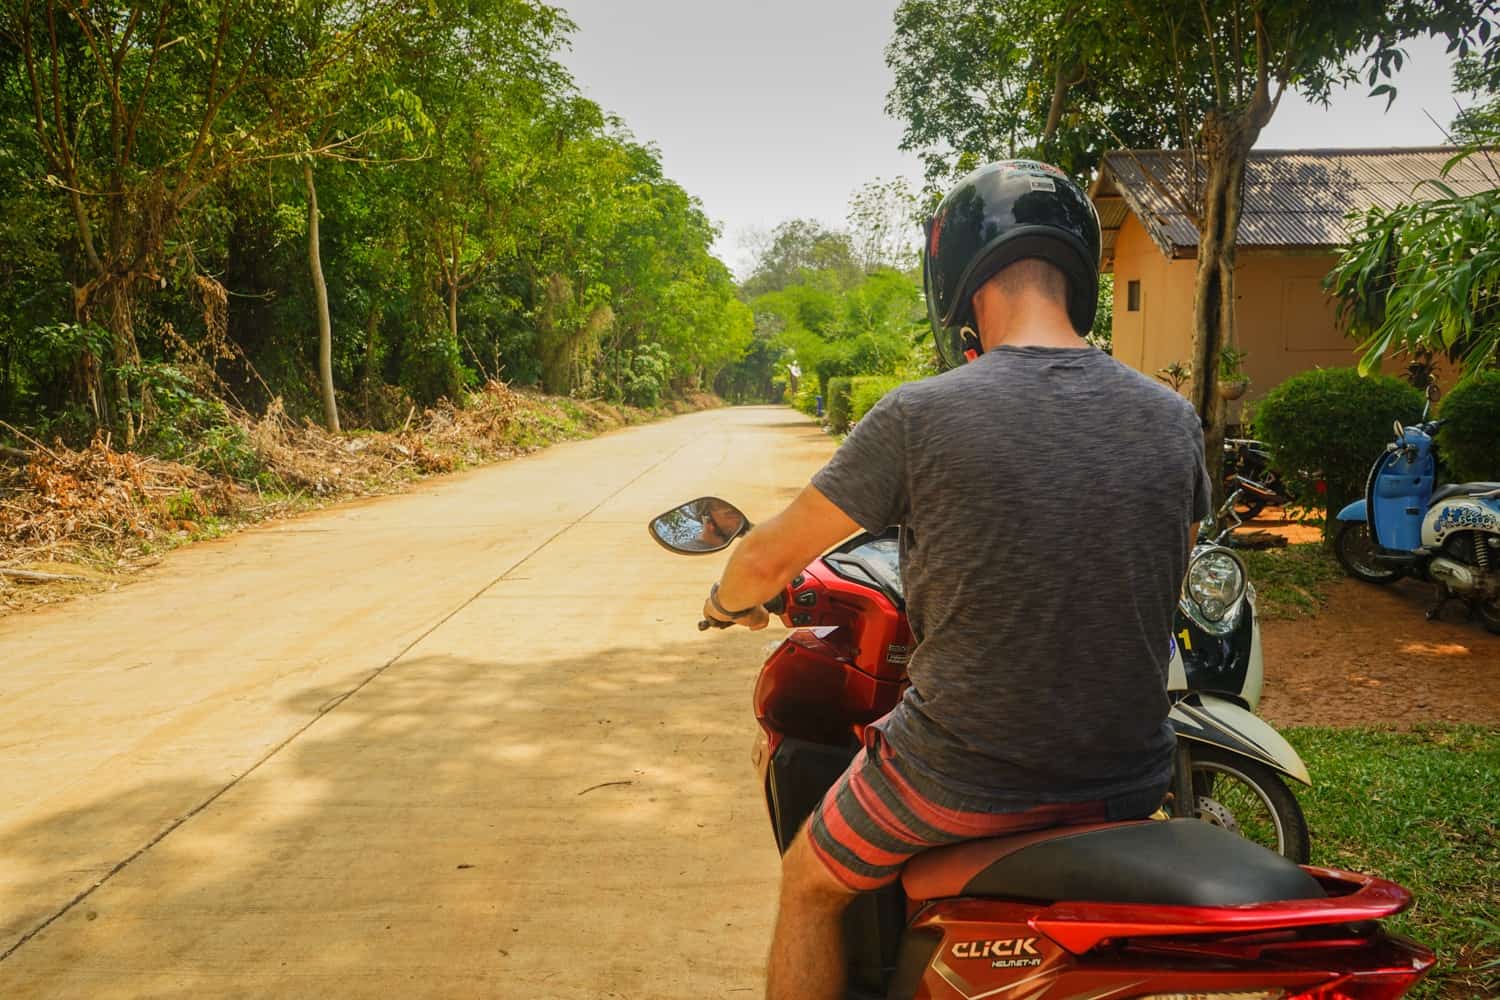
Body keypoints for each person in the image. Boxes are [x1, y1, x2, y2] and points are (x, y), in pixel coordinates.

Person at [698, 160, 1211, 1000]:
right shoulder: (1172, 418)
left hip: (959, 777)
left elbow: (762, 560)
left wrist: (724, 605)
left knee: (808, 883)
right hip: (1126, 775)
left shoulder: (920, 414)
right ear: (1080, 272)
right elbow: (1165, 566)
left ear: (962, 281)